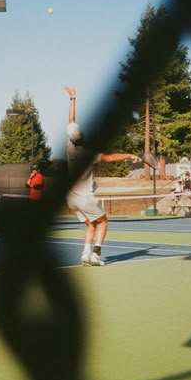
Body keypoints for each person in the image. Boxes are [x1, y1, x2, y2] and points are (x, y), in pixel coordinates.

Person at [63, 85, 141, 266]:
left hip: (70, 198)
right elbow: (111, 158)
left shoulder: (69, 146)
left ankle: (85, 253)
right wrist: (129, 155)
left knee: (90, 224)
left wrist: (73, 98)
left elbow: (71, 119)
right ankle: (97, 254)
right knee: (103, 222)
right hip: (84, 196)